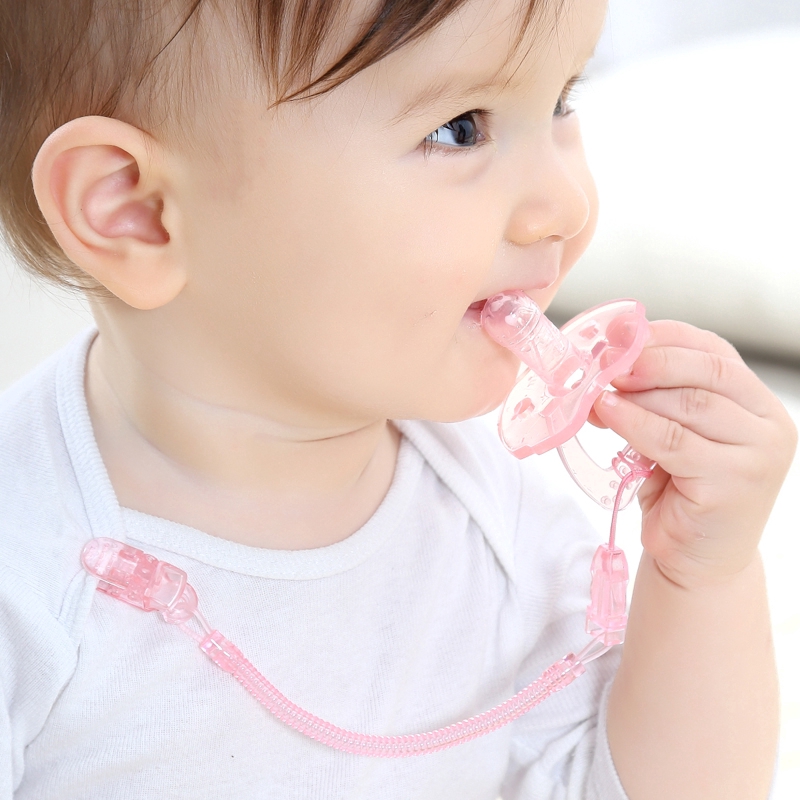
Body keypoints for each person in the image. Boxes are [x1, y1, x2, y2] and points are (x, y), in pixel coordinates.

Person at [0, 0, 794, 797]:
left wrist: (701, 582)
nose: (567, 204)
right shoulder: (29, 573)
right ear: (137, 212)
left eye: (560, 101)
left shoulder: (497, 510)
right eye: (459, 129)